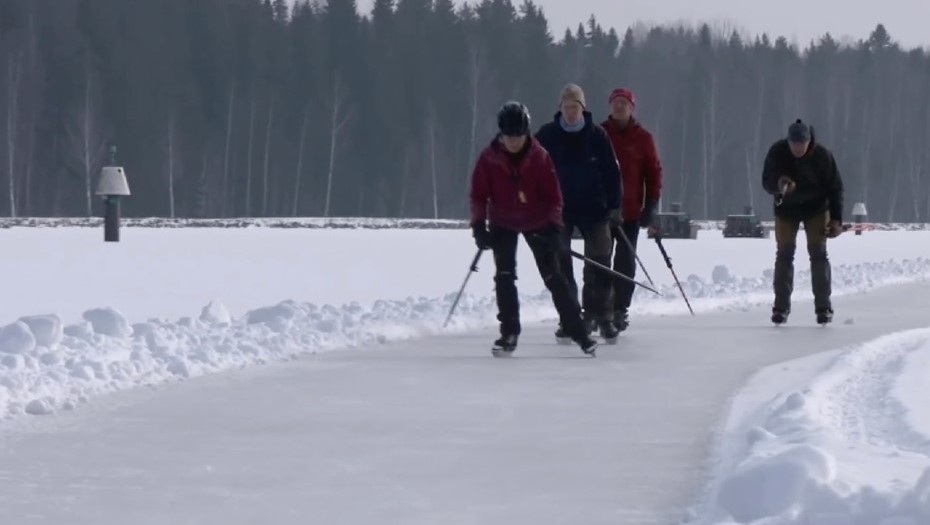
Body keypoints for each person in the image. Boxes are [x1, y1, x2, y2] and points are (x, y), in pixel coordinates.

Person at [469, 100, 599, 356]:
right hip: (503, 222)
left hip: (537, 221)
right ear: (501, 134)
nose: (514, 141)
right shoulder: (489, 159)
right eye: (509, 136)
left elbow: (554, 198)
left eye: (518, 135)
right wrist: (478, 227)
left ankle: (578, 331)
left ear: (526, 133)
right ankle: (509, 332)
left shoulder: (540, 157)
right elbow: (478, 195)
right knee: (504, 277)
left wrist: (553, 227)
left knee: (554, 277)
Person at [535, 83, 623, 343]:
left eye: (575, 107)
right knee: (560, 266)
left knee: (600, 263)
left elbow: (612, 173)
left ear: (583, 109)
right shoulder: (547, 136)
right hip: (559, 210)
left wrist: (614, 206)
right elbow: (533, 171)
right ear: (560, 108)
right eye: (566, 107)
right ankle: (569, 318)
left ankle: (602, 316)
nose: (571, 112)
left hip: (595, 208)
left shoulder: (597, 136)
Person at [762, 118, 845, 325]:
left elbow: (836, 188)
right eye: (794, 143)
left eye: (802, 143)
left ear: (809, 141)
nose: (798, 148)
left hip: (816, 208)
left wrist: (836, 219)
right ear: (788, 142)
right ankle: (780, 308)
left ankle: (823, 308)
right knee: (784, 255)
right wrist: (779, 183)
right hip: (786, 209)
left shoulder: (822, 156)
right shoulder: (777, 152)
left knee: (818, 254)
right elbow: (766, 180)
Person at [601, 88, 663, 332]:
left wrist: (651, 204)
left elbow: (654, 173)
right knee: (599, 260)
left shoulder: (643, 138)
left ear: (632, 108)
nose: (619, 107)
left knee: (625, 262)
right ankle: (598, 306)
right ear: (610, 106)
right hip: (602, 212)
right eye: (615, 103)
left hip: (630, 212)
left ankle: (619, 309)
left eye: (624, 103)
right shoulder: (599, 134)